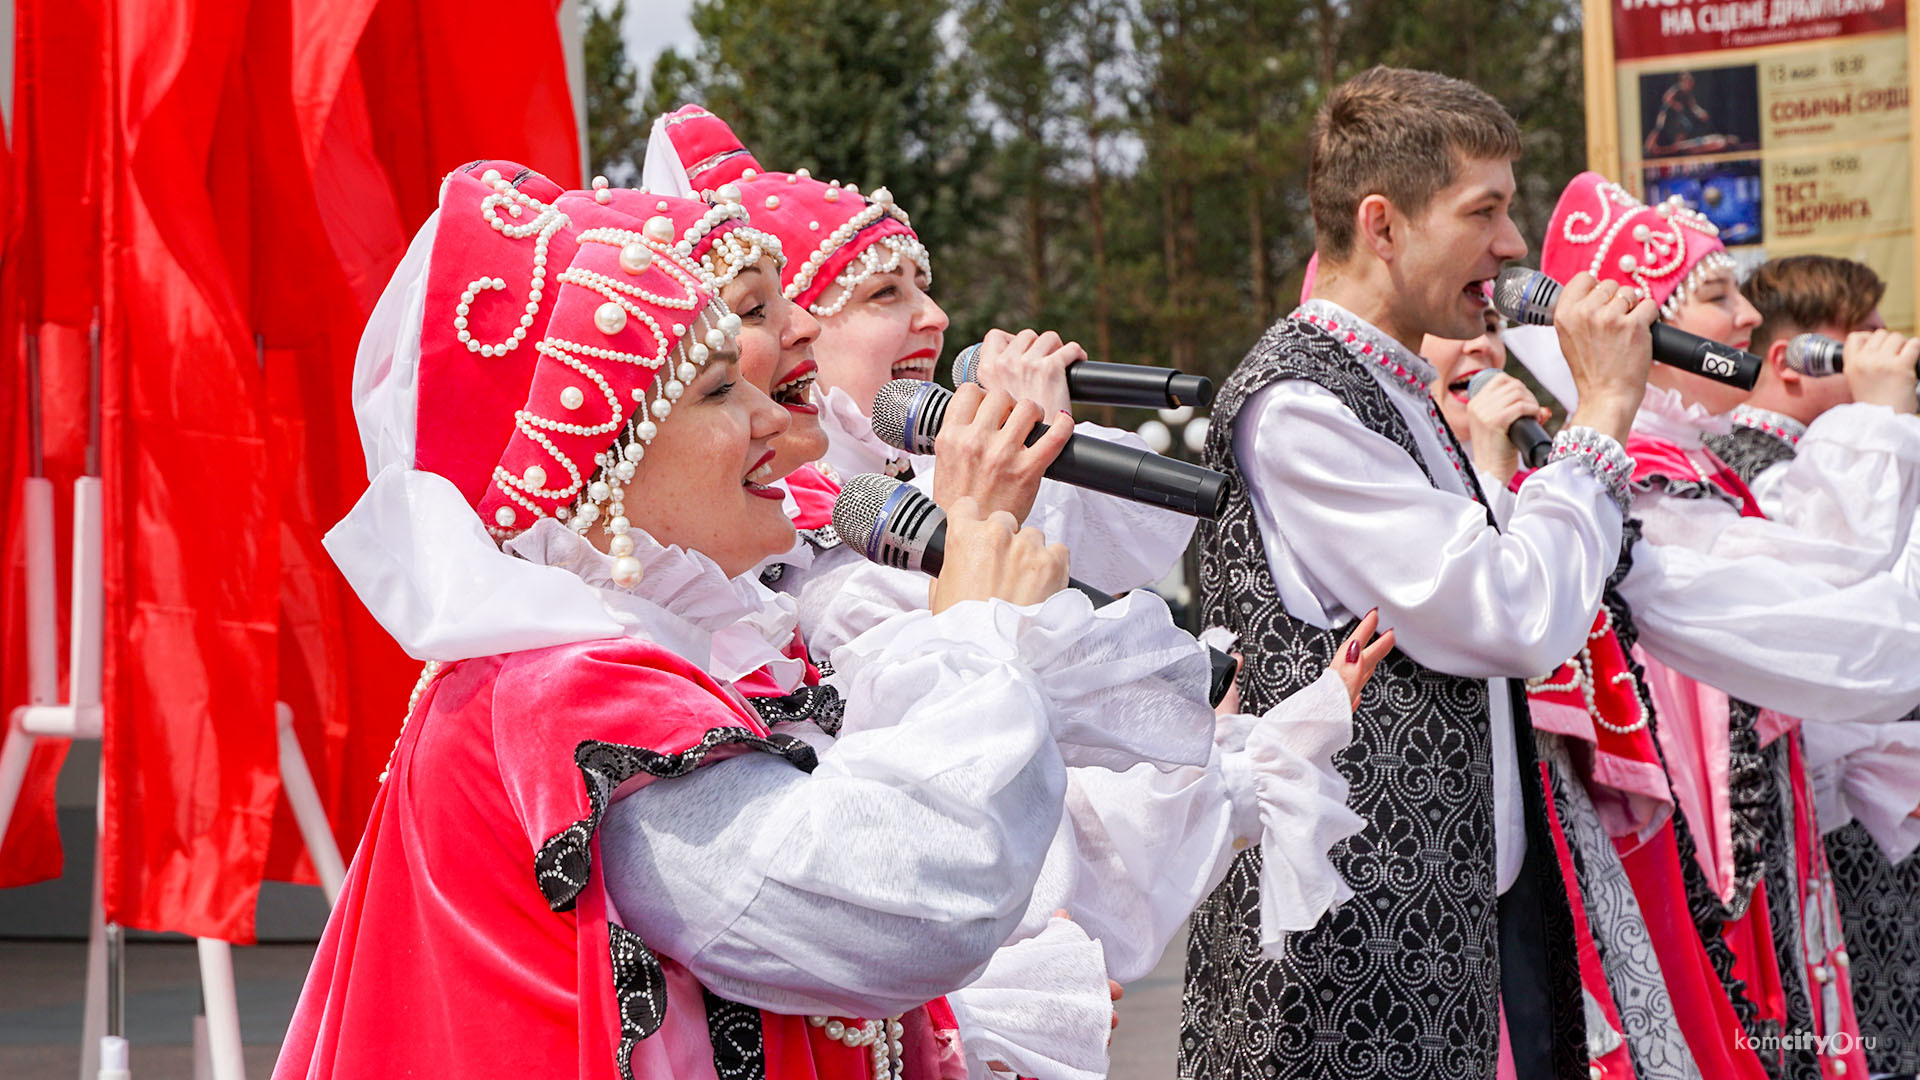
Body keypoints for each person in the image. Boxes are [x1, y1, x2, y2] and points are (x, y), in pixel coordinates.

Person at [274, 164, 1225, 1080]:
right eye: (723, 391)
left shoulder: (645, 662)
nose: (780, 423)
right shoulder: (570, 700)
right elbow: (908, 901)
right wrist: (972, 620)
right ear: (601, 470)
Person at [642, 119, 1395, 1078]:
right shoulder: (779, 584)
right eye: (883, 294)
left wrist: (1251, 764)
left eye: (923, 285)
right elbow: (914, 850)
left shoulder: (859, 522)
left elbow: (1046, 795)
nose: (935, 319)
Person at [1183, 66, 1657, 1080]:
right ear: (1383, 225)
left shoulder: (1390, 384)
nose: (1514, 246)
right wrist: (1604, 415)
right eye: (1483, 211)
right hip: (1345, 960)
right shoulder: (1302, 406)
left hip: (1433, 927)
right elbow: (1513, 613)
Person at [1538, 172, 1920, 1080]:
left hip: (1763, 857)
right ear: (1637, 327)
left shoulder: (1691, 468)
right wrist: (1882, 422)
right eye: (1715, 297)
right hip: (1703, 872)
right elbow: (1834, 600)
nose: (1749, 319)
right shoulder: (1634, 480)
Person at [1708, 254, 1920, 1080]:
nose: (1882, 345)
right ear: (1797, 359)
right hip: (1813, 809)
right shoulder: (1740, 462)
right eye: (1856, 334)